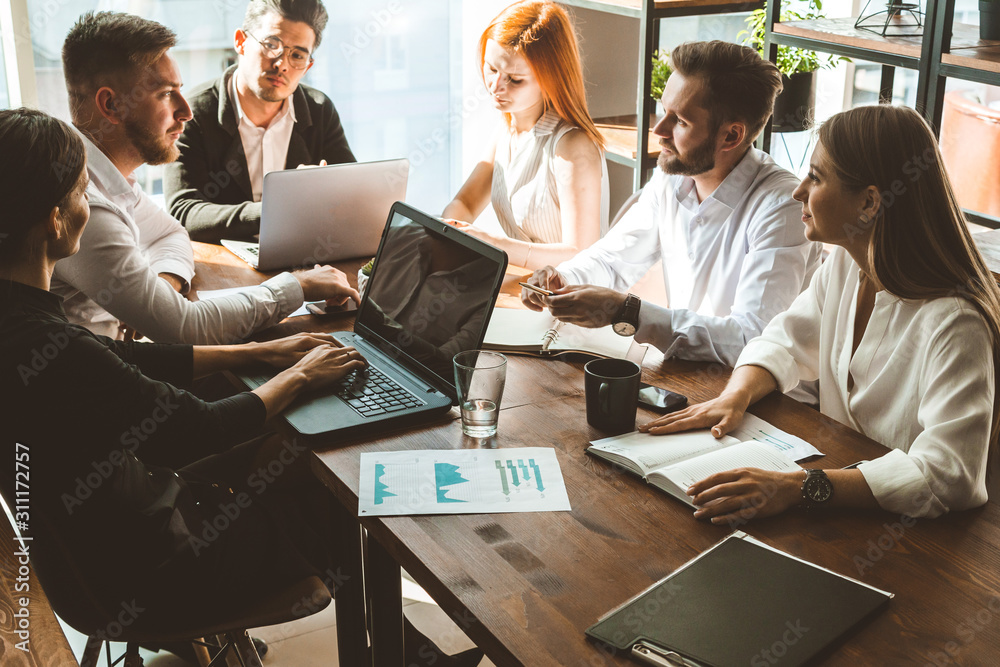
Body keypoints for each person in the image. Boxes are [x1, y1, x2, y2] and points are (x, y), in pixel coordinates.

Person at [0, 107, 481, 667]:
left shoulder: (21, 322)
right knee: (333, 500)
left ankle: (407, 651)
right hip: (155, 570)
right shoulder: (46, 346)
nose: (94, 207)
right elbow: (191, 431)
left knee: (288, 451)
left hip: (94, 553)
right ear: (56, 220)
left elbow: (128, 360)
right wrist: (297, 377)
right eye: (86, 193)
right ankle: (399, 658)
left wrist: (265, 352)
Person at [640, 105, 1000, 522]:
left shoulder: (956, 323)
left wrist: (797, 487)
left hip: (908, 539)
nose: (799, 191)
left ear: (869, 202)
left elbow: (948, 475)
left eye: (817, 176)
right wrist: (734, 397)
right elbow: (785, 342)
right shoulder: (849, 264)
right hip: (833, 506)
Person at [53, 11, 358, 345]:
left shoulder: (105, 176)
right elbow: (185, 328)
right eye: (166, 93)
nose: (186, 110)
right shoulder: (84, 205)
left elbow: (171, 232)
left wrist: (165, 283)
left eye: (297, 54)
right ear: (110, 105)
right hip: (97, 387)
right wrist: (297, 286)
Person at [521, 41, 823, 368]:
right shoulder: (673, 177)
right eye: (663, 110)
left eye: (679, 120)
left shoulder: (781, 206)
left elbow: (751, 340)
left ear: (731, 136)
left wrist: (628, 312)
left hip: (768, 400)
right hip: (689, 374)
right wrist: (561, 279)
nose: (658, 130)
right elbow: (613, 259)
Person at [164, 0, 355, 243]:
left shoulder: (320, 110)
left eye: (297, 55)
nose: (281, 64)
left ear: (308, 67)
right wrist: (277, 208)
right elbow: (183, 211)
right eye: (271, 45)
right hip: (225, 262)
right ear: (240, 41)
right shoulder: (194, 113)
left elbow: (351, 195)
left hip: (302, 252)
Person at [442, 0, 608, 270]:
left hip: (562, 301)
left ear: (551, 78)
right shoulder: (507, 127)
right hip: (520, 286)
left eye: (515, 79)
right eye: (491, 69)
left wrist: (490, 244)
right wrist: (448, 231)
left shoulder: (573, 147)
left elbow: (580, 254)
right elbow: (465, 202)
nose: (495, 86)